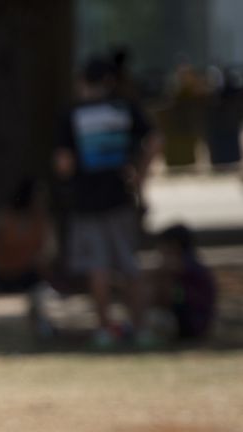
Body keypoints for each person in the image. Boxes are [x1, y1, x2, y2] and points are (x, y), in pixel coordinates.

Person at [54, 55, 160, 349]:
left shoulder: (71, 113)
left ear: (82, 80)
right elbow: (153, 140)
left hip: (85, 201)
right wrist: (140, 174)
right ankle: (141, 328)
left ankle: (104, 330)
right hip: (120, 197)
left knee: (97, 268)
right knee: (129, 265)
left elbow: (64, 163)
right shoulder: (124, 108)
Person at [151, 224, 217, 341]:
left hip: (191, 321)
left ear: (174, 245)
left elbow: (164, 294)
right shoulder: (193, 263)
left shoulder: (180, 265)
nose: (159, 250)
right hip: (195, 321)